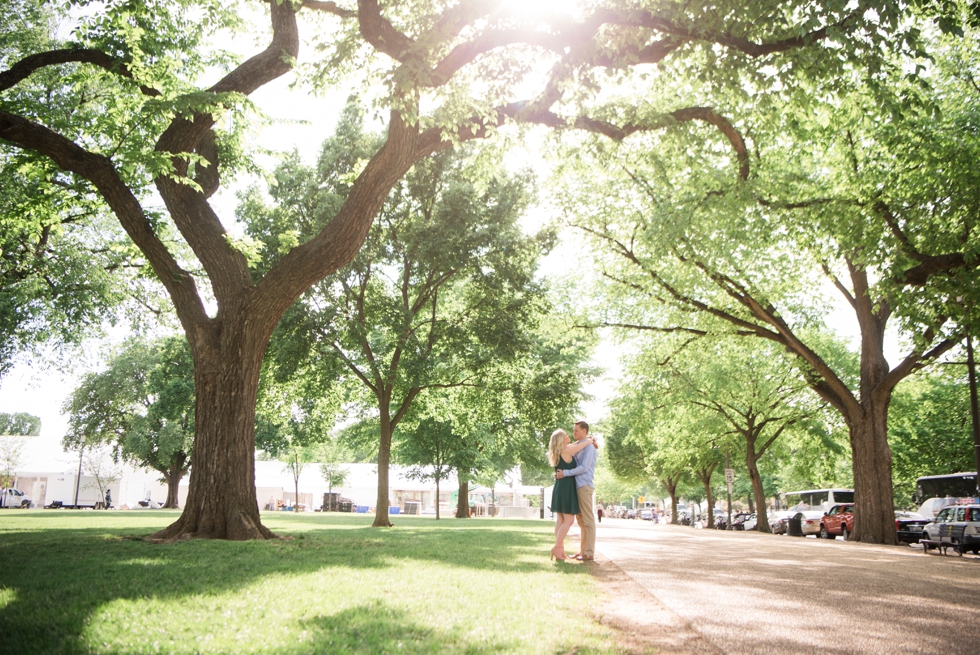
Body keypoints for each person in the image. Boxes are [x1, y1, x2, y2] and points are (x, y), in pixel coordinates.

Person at [547, 428, 594, 561]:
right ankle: (557, 547)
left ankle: (560, 549)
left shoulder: (558, 452)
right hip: (566, 486)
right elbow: (581, 445)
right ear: (561, 440)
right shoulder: (567, 451)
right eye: (566, 435)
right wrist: (589, 440)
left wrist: (582, 441)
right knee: (569, 520)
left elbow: (574, 445)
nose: (569, 436)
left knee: (561, 520)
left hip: (560, 487)